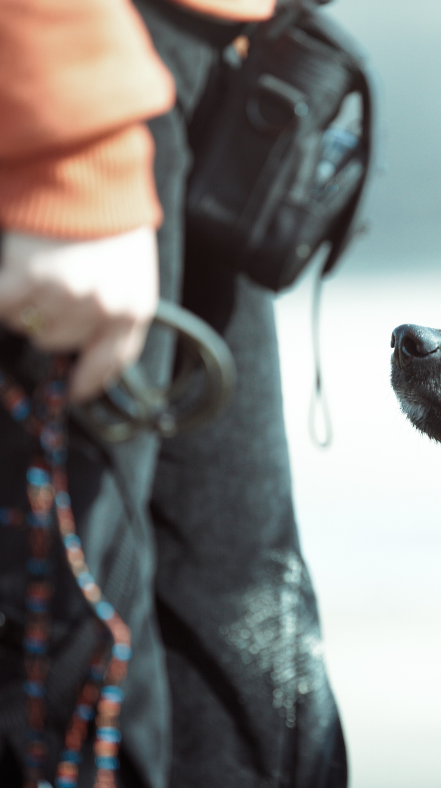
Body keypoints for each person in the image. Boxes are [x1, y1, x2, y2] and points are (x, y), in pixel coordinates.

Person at [0, 1, 347, 786]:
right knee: (71, 720)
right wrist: (63, 148)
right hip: (78, 95)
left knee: (255, 705)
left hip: (206, 83)